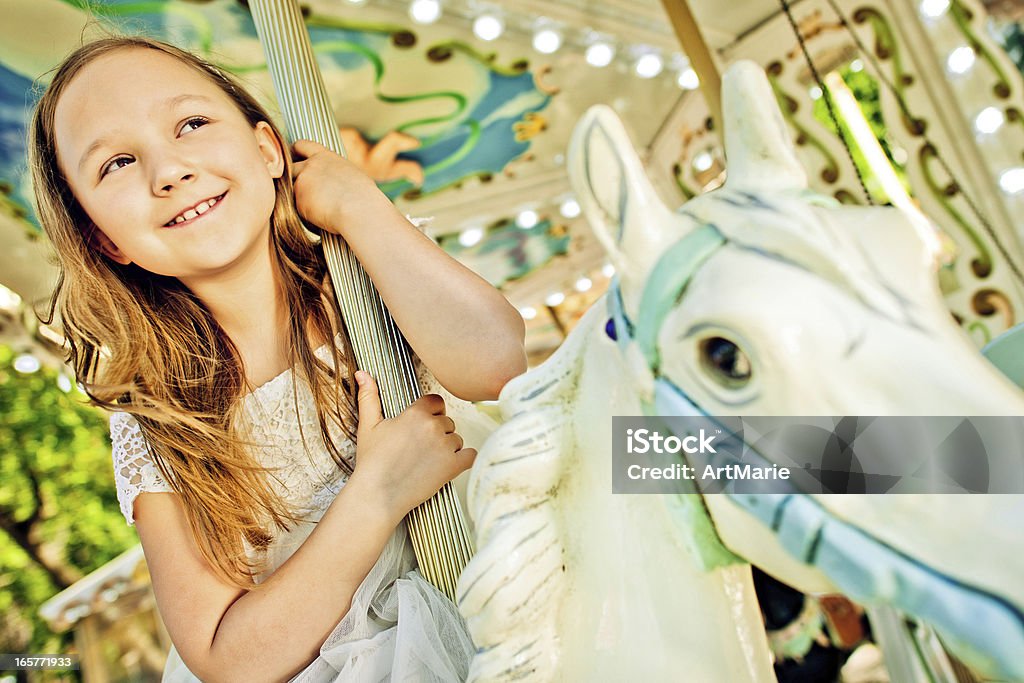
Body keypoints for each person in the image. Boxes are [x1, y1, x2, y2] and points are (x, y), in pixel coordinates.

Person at [30, 35, 527, 682]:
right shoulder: (160, 421)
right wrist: (375, 495)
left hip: (500, 579)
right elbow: (223, 655)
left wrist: (358, 205)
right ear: (103, 238)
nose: (169, 170)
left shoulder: (367, 268)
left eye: (192, 123)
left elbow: (496, 361)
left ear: (267, 150)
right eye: (118, 163)